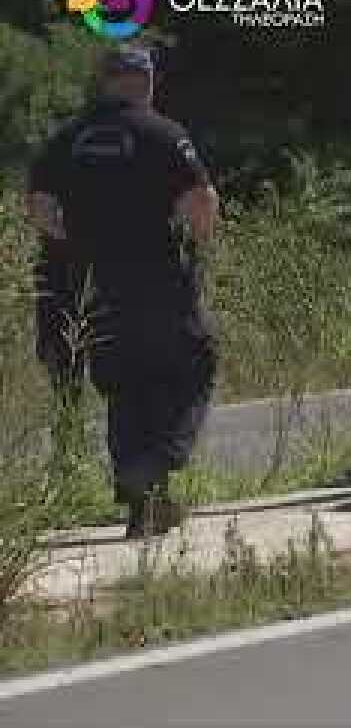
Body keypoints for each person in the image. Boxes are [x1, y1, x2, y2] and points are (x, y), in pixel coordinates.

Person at [24, 45, 221, 538]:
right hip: (159, 282)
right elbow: (202, 202)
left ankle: (143, 507)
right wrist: (197, 243)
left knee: (126, 388)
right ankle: (158, 461)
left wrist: (80, 246)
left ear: (104, 81)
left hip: (94, 287)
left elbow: (40, 209)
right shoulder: (164, 134)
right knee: (194, 365)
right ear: (145, 80)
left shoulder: (67, 139)